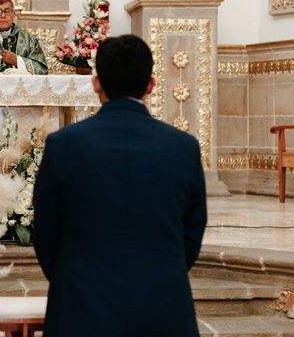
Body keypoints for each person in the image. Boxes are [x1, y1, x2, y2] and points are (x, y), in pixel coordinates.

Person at [33, 34, 207, 337]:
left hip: (81, 308)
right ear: (151, 85)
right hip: (164, 306)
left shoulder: (63, 145)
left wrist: (70, 278)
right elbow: (192, 232)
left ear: (96, 83)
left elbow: (46, 232)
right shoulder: (184, 147)